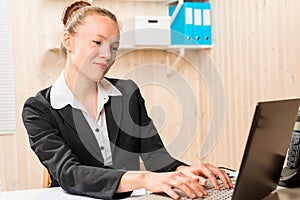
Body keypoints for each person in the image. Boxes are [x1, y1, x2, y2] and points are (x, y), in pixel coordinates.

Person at [22, 1, 233, 199]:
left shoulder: (127, 93)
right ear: (69, 41)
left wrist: (183, 171)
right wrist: (145, 179)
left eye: (114, 47)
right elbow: (69, 174)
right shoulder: (39, 109)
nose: (107, 55)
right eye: (97, 42)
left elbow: (156, 157)